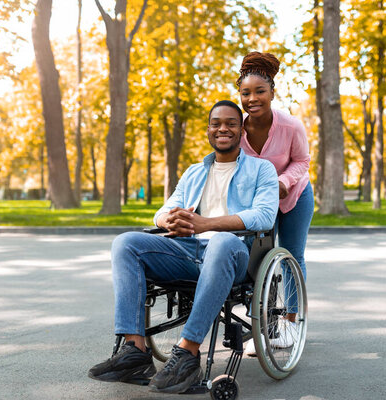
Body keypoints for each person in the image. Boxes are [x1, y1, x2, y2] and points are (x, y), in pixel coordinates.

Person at [87, 100, 279, 394]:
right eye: (216, 123)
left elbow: (264, 215)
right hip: (189, 250)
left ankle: (188, 352)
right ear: (208, 130)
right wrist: (169, 220)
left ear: (242, 130)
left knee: (222, 242)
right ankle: (135, 352)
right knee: (126, 243)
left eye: (230, 123)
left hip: (236, 252)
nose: (222, 129)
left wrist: (207, 224)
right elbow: (164, 210)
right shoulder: (194, 172)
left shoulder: (261, 170)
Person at [236, 52, 313, 354]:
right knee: (258, 261)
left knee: (292, 256)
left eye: (259, 91)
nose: (252, 98)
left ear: (272, 93)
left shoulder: (291, 126)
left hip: (293, 197)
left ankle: (291, 323)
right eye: (245, 92)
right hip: (259, 205)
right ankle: (264, 326)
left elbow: (302, 161)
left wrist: (284, 182)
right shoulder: (237, 129)